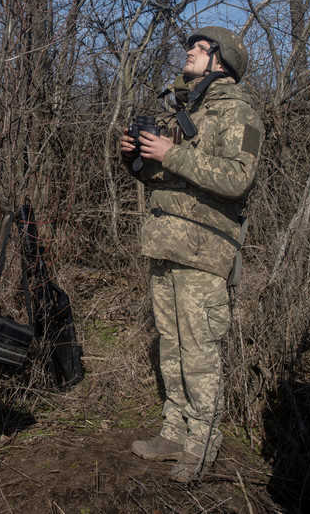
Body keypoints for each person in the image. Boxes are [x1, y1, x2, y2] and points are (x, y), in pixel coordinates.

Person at [120, 27, 264, 482]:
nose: (188, 52)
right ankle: (173, 431)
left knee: (199, 348)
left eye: (198, 48)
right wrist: (138, 159)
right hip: (165, 241)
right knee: (172, 342)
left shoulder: (240, 114)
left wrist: (172, 154)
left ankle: (202, 444)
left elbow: (238, 179)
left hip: (205, 248)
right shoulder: (182, 110)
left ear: (220, 60)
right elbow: (166, 180)